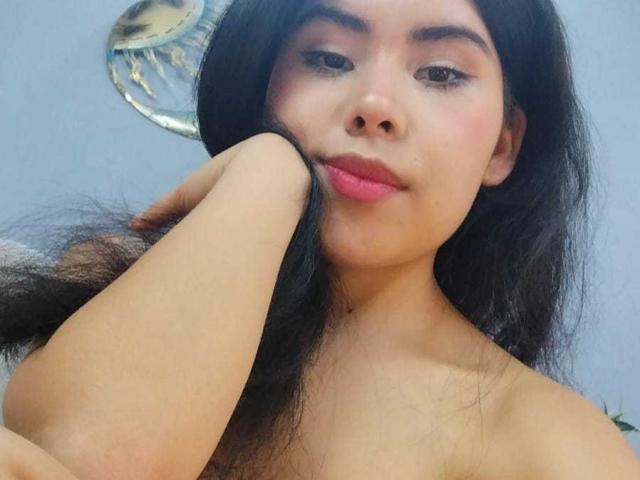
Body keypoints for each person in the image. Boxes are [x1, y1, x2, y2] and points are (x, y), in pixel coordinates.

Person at [0, 0, 639, 478]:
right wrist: (268, 175)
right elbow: (83, 461)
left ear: (503, 146)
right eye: (329, 58)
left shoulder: (554, 446)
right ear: (262, 86)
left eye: (441, 73)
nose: (374, 104)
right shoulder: (113, 277)